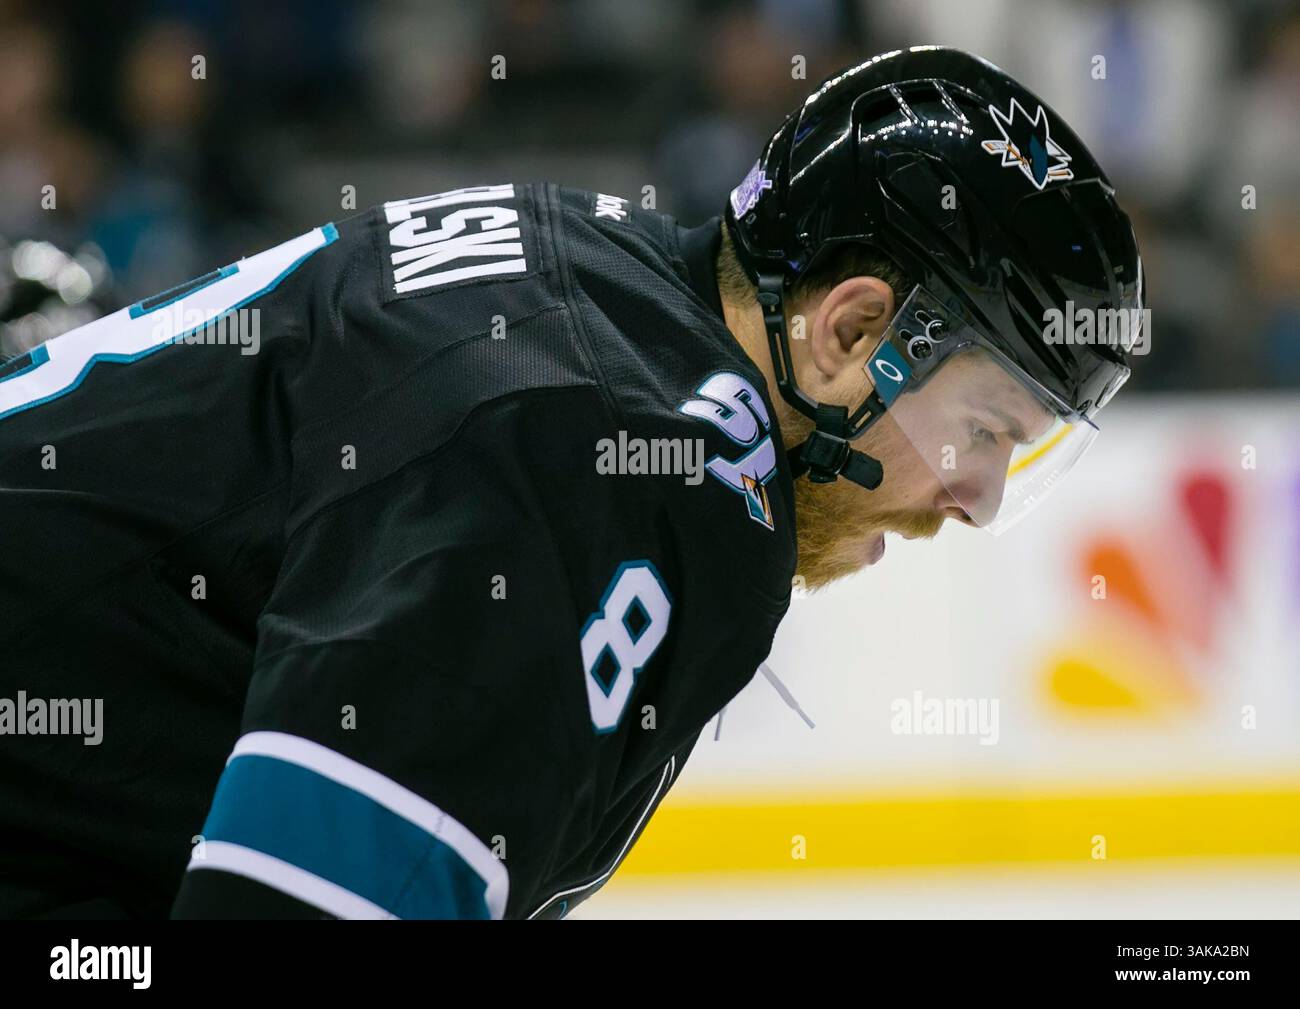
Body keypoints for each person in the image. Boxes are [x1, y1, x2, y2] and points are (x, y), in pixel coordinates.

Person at [0, 46, 1140, 920]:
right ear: (849, 331)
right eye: (986, 429)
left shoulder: (594, 283)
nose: (982, 497)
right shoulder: (637, 457)